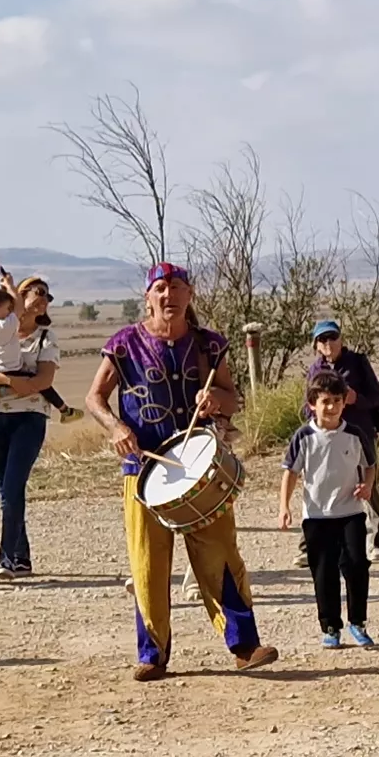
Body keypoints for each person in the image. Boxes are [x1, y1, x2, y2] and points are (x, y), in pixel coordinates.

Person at [87, 263, 274, 677]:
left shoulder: (209, 344)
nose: (168, 295)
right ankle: (151, 655)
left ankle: (245, 646)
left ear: (189, 295)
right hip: (144, 467)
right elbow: (94, 398)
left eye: (176, 288)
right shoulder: (123, 345)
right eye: (160, 289)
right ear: (148, 296)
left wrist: (217, 403)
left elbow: (231, 395)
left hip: (200, 465)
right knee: (147, 561)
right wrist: (115, 427)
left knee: (221, 553)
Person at [0, 279, 64, 580]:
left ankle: (7, 557)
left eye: (47, 293)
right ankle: (21, 558)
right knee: (6, 490)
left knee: (11, 486)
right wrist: (9, 381)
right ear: (17, 298)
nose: (43, 298)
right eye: (36, 292)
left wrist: (10, 386)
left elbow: (44, 380)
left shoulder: (46, 337)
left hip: (29, 417)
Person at [282, 381, 376, 649]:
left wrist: (367, 486)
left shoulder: (355, 434)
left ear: (344, 402)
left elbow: (370, 465)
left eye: (337, 400)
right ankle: (330, 626)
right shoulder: (303, 436)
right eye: (325, 401)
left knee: (357, 566)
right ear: (313, 404)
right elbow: (290, 472)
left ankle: (358, 623)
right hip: (317, 516)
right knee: (324, 573)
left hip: (351, 513)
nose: (332, 407)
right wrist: (284, 507)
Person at [305, 318, 379, 556]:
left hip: (361, 434)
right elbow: (307, 406)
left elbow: (378, 398)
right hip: (329, 439)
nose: (328, 343)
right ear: (316, 345)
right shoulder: (315, 370)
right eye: (322, 339)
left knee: (369, 486)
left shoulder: (357, 362)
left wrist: (357, 400)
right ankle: (310, 544)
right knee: (321, 486)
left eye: (332, 337)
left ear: (341, 339)